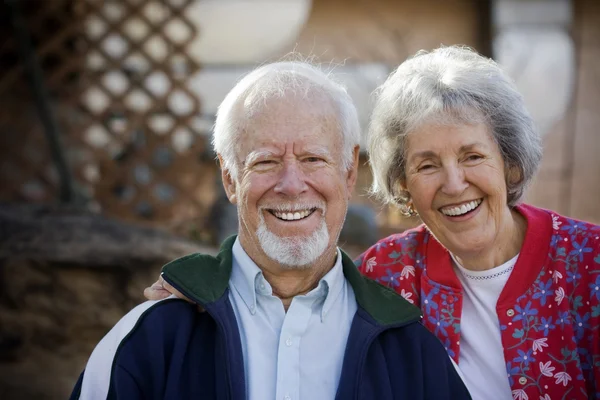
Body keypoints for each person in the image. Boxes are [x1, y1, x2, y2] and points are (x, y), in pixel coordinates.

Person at [146, 47, 600, 400]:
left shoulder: (589, 265)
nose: (454, 183)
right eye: (426, 166)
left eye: (473, 156)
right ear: (403, 184)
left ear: (511, 163)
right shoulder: (391, 269)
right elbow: (295, 285)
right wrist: (203, 290)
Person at [70, 61, 470, 400]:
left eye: (313, 159)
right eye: (265, 162)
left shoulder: (412, 354)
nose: (292, 184)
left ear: (349, 172)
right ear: (229, 179)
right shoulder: (152, 339)